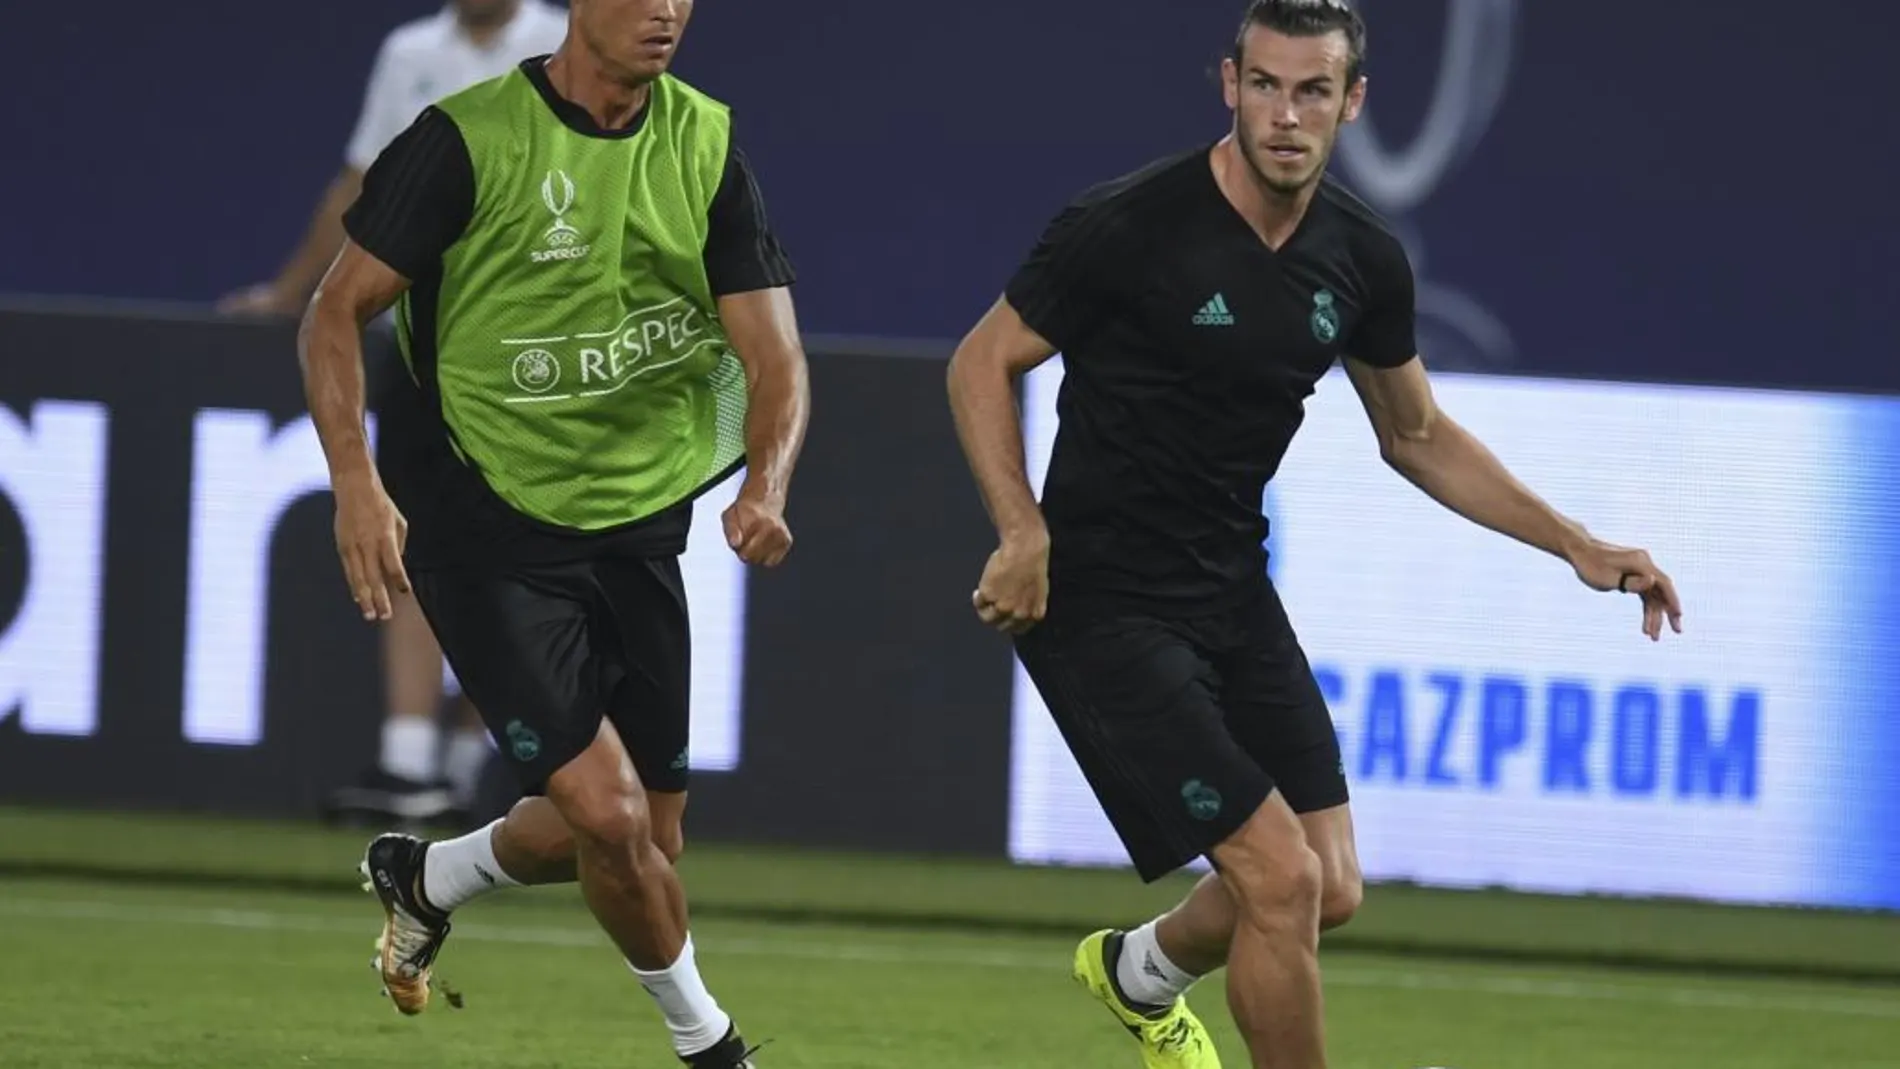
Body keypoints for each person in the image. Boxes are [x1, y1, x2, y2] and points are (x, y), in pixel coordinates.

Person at [945, 3, 1684, 1068]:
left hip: (1229, 592)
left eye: (1311, 91)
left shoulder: (1361, 259)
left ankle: (1136, 972)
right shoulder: (1129, 224)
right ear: (1228, 84)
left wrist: (1573, 542)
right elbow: (980, 362)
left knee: (1326, 886)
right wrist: (1021, 530)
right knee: (1277, 877)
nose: (1284, 114)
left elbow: (1416, 433)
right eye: (1265, 86)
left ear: (1353, 102)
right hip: (1100, 599)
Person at [296, 0, 808, 1065]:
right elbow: (335, 312)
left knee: (643, 839)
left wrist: (766, 485)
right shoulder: (467, 139)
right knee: (612, 819)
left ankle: (427, 876)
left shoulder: (704, 142)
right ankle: (711, 1046)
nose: (666, 11)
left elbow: (776, 358)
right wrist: (354, 481)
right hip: (480, 514)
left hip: (633, 520)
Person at [223, 0, 573, 824]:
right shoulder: (410, 51)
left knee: (529, 560)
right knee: (417, 536)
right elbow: (362, 178)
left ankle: (463, 763)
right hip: (425, 337)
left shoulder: (568, 42)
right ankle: (410, 762)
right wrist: (292, 292)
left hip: (539, 352)